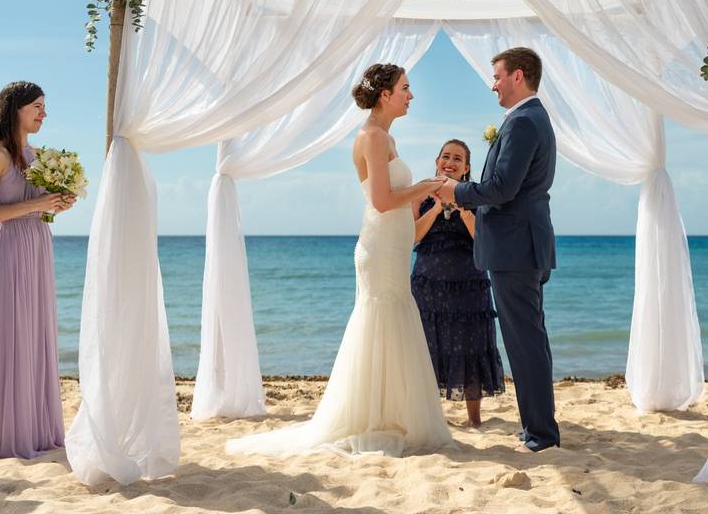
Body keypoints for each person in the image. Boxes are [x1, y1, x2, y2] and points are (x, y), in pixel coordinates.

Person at [227, 64, 454, 457]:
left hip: (394, 245)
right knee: (380, 319)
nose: (411, 95)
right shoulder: (371, 137)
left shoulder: (386, 136)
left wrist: (425, 199)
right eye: (405, 88)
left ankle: (387, 414)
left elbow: (395, 200)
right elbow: (382, 202)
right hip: (380, 248)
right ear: (385, 95)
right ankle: (370, 417)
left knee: (394, 320)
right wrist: (424, 187)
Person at [436, 47, 559, 453]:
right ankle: (535, 428)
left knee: (525, 342)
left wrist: (457, 191)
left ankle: (540, 434)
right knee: (529, 340)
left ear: (518, 76)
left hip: (515, 249)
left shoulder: (524, 122)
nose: (492, 85)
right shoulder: (527, 119)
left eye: (497, 77)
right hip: (521, 246)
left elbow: (502, 189)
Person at [0, 81, 74, 458]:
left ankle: (35, 429)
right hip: (11, 251)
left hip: (39, 248)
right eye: (37, 106)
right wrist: (32, 206)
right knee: (11, 335)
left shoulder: (39, 155)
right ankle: (5, 433)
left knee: (36, 336)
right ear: (15, 108)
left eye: (45, 106)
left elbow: (36, 206)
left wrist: (55, 204)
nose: (43, 113)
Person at [412, 140, 506, 427]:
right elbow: (414, 235)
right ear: (437, 161)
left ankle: (474, 419)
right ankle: (431, 417)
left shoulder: (478, 196)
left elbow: (483, 239)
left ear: (467, 168)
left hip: (468, 285)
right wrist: (438, 206)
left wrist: (462, 208)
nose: (450, 162)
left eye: (457, 159)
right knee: (427, 347)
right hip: (428, 286)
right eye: (446, 156)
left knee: (470, 346)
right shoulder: (421, 193)